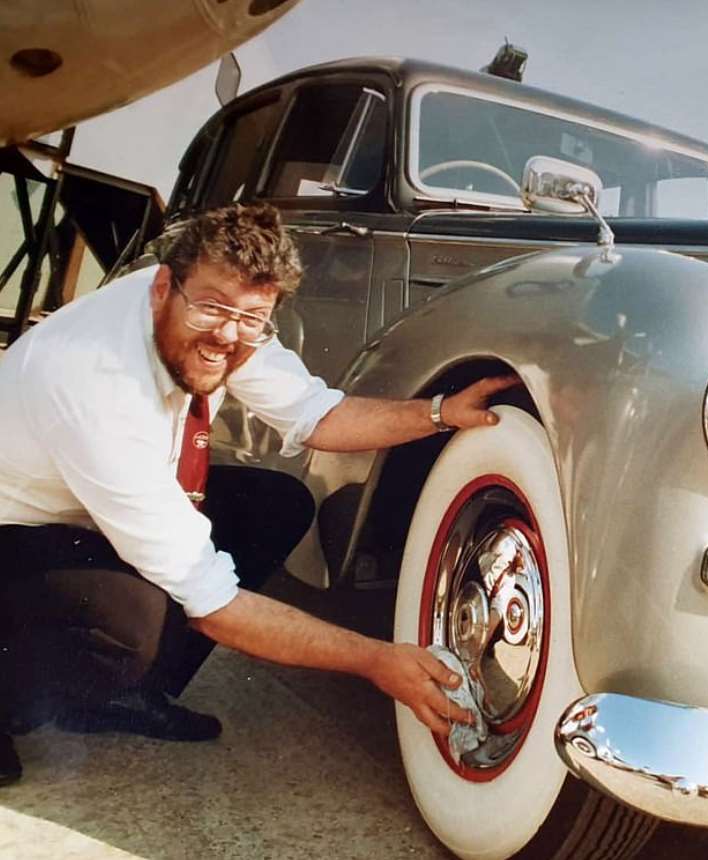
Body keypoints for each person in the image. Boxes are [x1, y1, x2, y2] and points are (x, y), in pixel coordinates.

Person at [0, 202, 517, 785]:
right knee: (130, 623)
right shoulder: (97, 383)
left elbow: (317, 415)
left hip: (82, 508)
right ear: (162, 288)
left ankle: (119, 698)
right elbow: (213, 602)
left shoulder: (213, 309)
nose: (227, 334)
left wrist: (441, 412)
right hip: (11, 529)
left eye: (252, 317)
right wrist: (377, 660)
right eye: (214, 307)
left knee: (275, 503)